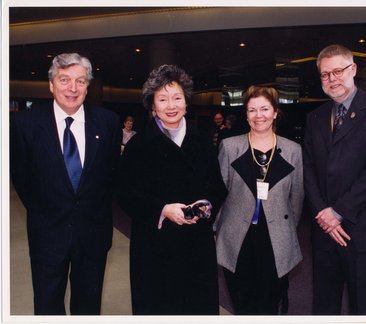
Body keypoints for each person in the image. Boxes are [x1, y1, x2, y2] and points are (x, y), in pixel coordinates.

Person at [10, 53, 121, 315]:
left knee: (88, 307)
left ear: (87, 86)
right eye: (64, 80)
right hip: (47, 233)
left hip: (93, 234)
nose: (73, 88)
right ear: (51, 84)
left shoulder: (108, 123)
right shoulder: (24, 124)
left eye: (80, 81)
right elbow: (22, 180)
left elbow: (111, 176)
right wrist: (48, 208)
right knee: (47, 305)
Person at [117, 64, 227, 315]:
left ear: (186, 102)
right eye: (163, 99)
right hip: (154, 244)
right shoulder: (139, 145)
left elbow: (217, 187)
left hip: (196, 243)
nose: (171, 105)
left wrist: (206, 206)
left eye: (177, 97)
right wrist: (162, 209)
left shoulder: (203, 141)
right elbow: (125, 192)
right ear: (152, 105)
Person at [303, 44, 366, 315]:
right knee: (324, 308)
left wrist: (339, 212)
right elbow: (309, 170)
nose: (332, 79)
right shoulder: (315, 118)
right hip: (324, 233)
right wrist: (323, 212)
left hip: (363, 231)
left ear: (353, 69)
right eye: (325, 74)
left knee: (364, 309)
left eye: (338, 71)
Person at [214, 85, 304, 315]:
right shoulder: (230, 146)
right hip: (237, 235)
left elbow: (297, 195)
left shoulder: (292, 149)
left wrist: (287, 228)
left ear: (275, 112)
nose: (258, 115)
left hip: (275, 236)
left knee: (269, 301)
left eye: (264, 109)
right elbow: (219, 191)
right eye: (252, 110)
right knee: (242, 300)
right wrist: (215, 229)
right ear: (246, 115)